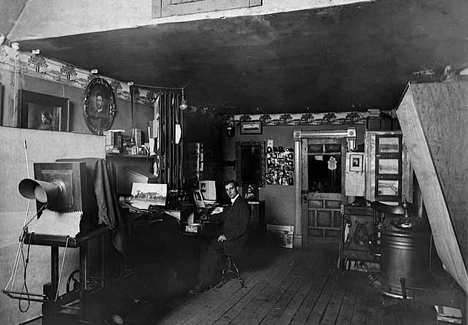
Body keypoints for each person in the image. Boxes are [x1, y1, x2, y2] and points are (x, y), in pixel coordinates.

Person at [191, 180, 250, 294]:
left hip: (236, 242)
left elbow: (243, 227)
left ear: (236, 188)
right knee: (205, 245)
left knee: (211, 249)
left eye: (231, 189)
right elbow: (223, 215)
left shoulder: (242, 205)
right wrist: (208, 217)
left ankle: (204, 283)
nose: (229, 192)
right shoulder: (233, 203)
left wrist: (226, 236)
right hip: (230, 238)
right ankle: (203, 279)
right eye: (227, 190)